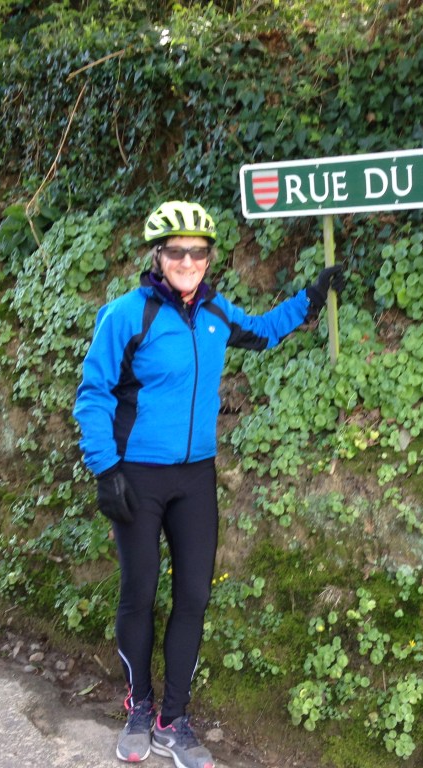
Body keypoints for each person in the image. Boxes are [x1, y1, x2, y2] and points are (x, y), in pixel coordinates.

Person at [73, 200, 344, 767]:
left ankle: (172, 720)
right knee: (140, 594)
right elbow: (94, 393)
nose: (188, 261)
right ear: (158, 256)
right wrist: (106, 469)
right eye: (176, 251)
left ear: (208, 258)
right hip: (137, 476)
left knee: (194, 596)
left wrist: (312, 298)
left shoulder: (217, 312)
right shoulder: (128, 315)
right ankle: (139, 706)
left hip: (196, 476)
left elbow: (264, 331)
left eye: (198, 252)